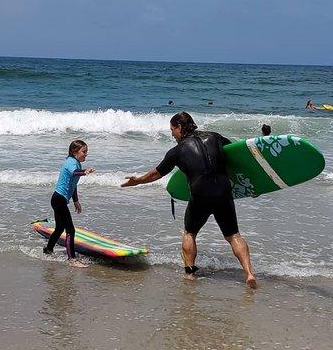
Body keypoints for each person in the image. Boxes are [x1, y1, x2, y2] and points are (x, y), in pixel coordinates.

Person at [121, 112, 257, 288]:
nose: (172, 134)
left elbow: (156, 173)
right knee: (233, 235)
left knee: (190, 233)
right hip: (223, 191)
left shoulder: (177, 151)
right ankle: (249, 273)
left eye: (172, 130)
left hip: (200, 194)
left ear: (179, 127)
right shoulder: (215, 137)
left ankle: (190, 273)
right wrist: (253, 185)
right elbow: (236, 155)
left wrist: (137, 181)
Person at [43, 140, 95, 268]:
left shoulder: (75, 162)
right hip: (59, 199)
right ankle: (71, 259)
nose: (86, 155)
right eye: (84, 152)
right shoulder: (71, 162)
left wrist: (76, 201)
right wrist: (84, 172)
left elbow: (73, 185)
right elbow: (74, 173)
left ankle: (48, 250)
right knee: (70, 230)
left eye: (86, 152)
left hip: (57, 199)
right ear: (74, 152)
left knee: (60, 228)